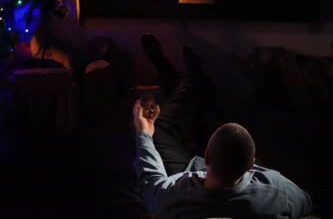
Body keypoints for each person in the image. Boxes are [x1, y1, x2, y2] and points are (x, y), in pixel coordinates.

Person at [133, 34, 313, 219]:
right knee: (205, 119)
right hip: (225, 172)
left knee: (162, 127)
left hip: (186, 169)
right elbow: (306, 204)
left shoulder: (170, 198)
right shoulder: (280, 193)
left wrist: (143, 132)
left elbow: (151, 178)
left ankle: (187, 79)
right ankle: (190, 82)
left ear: (207, 156)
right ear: (252, 165)